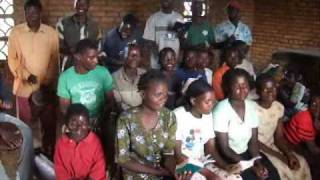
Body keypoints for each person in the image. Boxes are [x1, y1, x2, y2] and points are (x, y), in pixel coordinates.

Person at [8, 0, 59, 155]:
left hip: (45, 89)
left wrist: (46, 82)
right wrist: (26, 75)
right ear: (24, 14)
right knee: (24, 125)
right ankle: (26, 154)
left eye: (35, 12)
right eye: (28, 12)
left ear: (40, 13)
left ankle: (47, 152)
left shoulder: (51, 33)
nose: (32, 16)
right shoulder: (16, 32)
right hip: (24, 88)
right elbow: (12, 59)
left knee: (48, 124)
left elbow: (54, 60)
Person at [213, 69, 280, 180]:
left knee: (271, 175)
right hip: (229, 157)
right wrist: (251, 167)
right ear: (228, 88)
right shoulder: (221, 110)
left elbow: (253, 141)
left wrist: (257, 162)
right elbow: (225, 148)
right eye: (237, 86)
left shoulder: (251, 106)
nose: (242, 90)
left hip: (248, 153)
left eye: (245, 85)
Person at [174, 79, 242, 180]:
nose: (212, 105)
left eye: (213, 102)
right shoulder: (178, 115)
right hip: (184, 165)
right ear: (193, 101)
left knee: (235, 177)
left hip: (202, 162)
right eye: (207, 102)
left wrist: (225, 166)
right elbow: (177, 154)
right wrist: (208, 174)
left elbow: (211, 150)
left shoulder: (207, 115)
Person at [116, 69, 176, 179]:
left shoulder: (169, 117)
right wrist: (157, 172)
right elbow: (123, 160)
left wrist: (174, 171)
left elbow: (168, 153)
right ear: (143, 94)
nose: (163, 99)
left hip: (162, 174)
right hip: (135, 175)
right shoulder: (126, 119)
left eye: (165, 95)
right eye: (158, 95)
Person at [255, 74, 311, 180]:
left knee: (301, 162)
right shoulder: (251, 109)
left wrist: (289, 154)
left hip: (271, 145)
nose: (270, 92)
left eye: (273, 88)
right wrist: (280, 157)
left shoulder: (279, 107)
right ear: (258, 91)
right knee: (282, 170)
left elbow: (279, 137)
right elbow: (254, 141)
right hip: (257, 149)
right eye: (265, 89)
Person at [57, 39, 113, 130]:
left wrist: (101, 119)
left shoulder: (103, 72)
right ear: (78, 56)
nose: (96, 61)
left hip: (100, 119)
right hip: (77, 120)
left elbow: (110, 101)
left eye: (96, 57)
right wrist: (80, 123)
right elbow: (65, 108)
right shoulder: (65, 77)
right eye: (91, 57)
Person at [54, 103, 107, 180]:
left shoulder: (95, 142)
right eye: (73, 123)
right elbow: (59, 167)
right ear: (66, 123)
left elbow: (99, 166)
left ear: (89, 124)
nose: (79, 127)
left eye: (83, 123)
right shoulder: (61, 143)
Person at [56, 0, 102, 71]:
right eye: (78, 3)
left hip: (89, 68)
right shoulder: (63, 23)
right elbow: (57, 45)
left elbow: (98, 47)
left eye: (84, 4)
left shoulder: (95, 26)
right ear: (74, 5)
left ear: (88, 6)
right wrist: (70, 50)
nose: (81, 6)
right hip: (69, 66)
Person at [143, 0, 183, 69]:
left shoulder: (179, 18)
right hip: (156, 63)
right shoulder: (153, 18)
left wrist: (179, 56)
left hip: (173, 63)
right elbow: (149, 41)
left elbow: (182, 40)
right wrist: (160, 56)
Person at [112, 44, 145, 111]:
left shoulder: (145, 74)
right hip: (125, 115)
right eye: (131, 55)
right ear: (125, 57)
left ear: (141, 58)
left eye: (137, 55)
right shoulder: (115, 77)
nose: (134, 58)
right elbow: (118, 104)